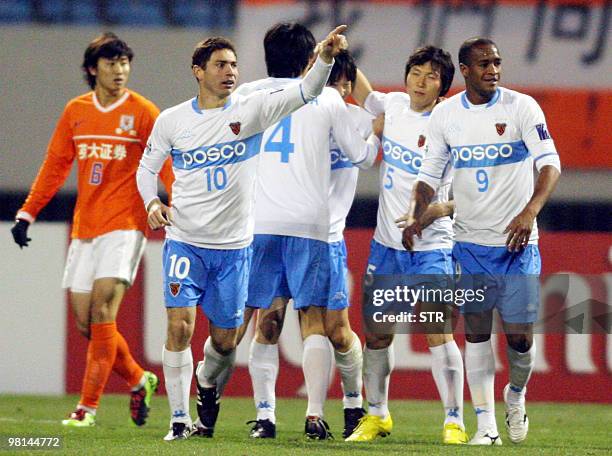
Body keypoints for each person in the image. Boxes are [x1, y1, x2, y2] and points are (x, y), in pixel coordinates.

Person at [136, 25, 348, 441]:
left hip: (234, 248)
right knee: (179, 326)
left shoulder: (250, 110)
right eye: (220, 65)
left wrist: (324, 57)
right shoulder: (172, 120)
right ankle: (178, 420)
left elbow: (306, 91)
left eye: (234, 64)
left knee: (227, 341)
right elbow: (146, 168)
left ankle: (206, 385)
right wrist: (152, 202)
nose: (230, 72)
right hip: (185, 239)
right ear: (198, 71)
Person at [10, 32, 173, 427]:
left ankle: (86, 408)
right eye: (111, 63)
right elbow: (55, 166)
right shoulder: (76, 111)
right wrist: (28, 212)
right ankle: (139, 379)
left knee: (102, 310)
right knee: (88, 324)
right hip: (86, 227)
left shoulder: (144, 112)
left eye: (124, 63)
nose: (120, 70)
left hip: (126, 226)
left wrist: (177, 205)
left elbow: (167, 165)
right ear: (91, 69)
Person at [405, 37, 561, 445]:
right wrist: (416, 217)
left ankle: (517, 392)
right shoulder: (447, 116)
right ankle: (486, 427)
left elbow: (550, 165)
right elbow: (430, 175)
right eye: (484, 63)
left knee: (520, 339)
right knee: (475, 333)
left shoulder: (522, 107)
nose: (493, 69)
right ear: (466, 69)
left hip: (516, 246)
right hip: (470, 245)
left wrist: (529, 212)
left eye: (497, 61)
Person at [231, 25, 381, 440]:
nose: (338, 82)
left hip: (317, 233)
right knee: (277, 322)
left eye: (342, 77)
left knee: (335, 331)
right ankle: (275, 415)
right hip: (307, 231)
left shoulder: (344, 111)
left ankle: (352, 404)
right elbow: (366, 156)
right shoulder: (318, 103)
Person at [347, 45, 466, 444]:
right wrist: (339, 55)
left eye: (431, 76)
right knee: (377, 335)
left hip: (432, 248)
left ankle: (454, 422)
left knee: (437, 331)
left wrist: (433, 212)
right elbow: (362, 93)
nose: (420, 80)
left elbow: (473, 195)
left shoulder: (453, 126)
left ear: (443, 88)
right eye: (415, 71)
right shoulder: (393, 107)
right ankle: (378, 415)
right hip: (386, 246)